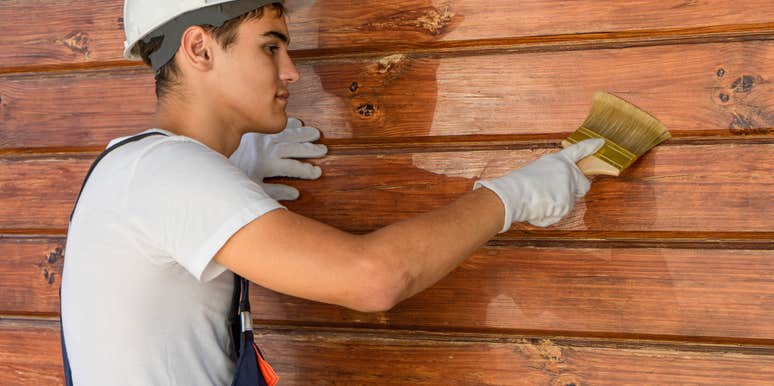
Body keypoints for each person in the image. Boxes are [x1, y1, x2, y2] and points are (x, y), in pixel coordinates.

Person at [60, 0, 604, 384]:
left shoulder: (140, 167)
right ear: (199, 49)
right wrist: (514, 198)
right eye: (271, 47)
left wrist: (234, 172)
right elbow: (373, 278)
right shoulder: (165, 173)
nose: (292, 72)